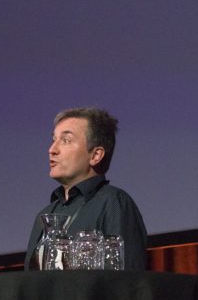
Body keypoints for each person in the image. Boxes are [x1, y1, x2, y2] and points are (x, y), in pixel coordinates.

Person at [24, 107, 148, 270]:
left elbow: (127, 276)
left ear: (95, 155)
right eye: (53, 140)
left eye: (66, 140)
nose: (52, 150)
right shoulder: (46, 214)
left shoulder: (113, 202)